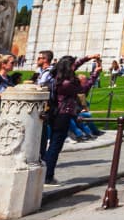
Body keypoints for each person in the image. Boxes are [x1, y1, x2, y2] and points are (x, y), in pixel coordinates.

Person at [43, 55, 101, 184]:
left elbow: (75, 64)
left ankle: (45, 173)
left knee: (53, 143)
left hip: (54, 114)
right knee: (55, 147)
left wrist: (89, 57)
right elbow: (83, 91)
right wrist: (94, 75)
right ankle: (46, 176)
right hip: (63, 115)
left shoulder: (57, 77)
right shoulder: (68, 83)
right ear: (69, 68)